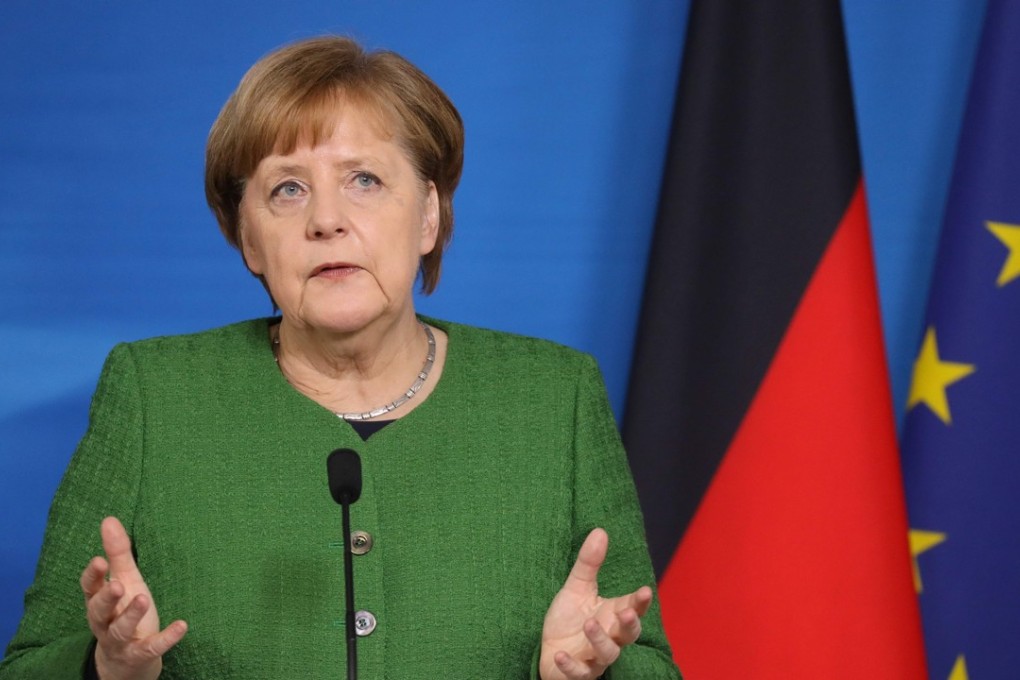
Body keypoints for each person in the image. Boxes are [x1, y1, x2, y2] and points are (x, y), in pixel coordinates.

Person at [0, 36, 681, 679]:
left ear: (428, 217)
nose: (325, 218)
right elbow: (31, 665)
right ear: (250, 240)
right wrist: (106, 668)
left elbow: (647, 661)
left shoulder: (553, 397)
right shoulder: (153, 394)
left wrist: (589, 675)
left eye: (363, 179)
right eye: (286, 189)